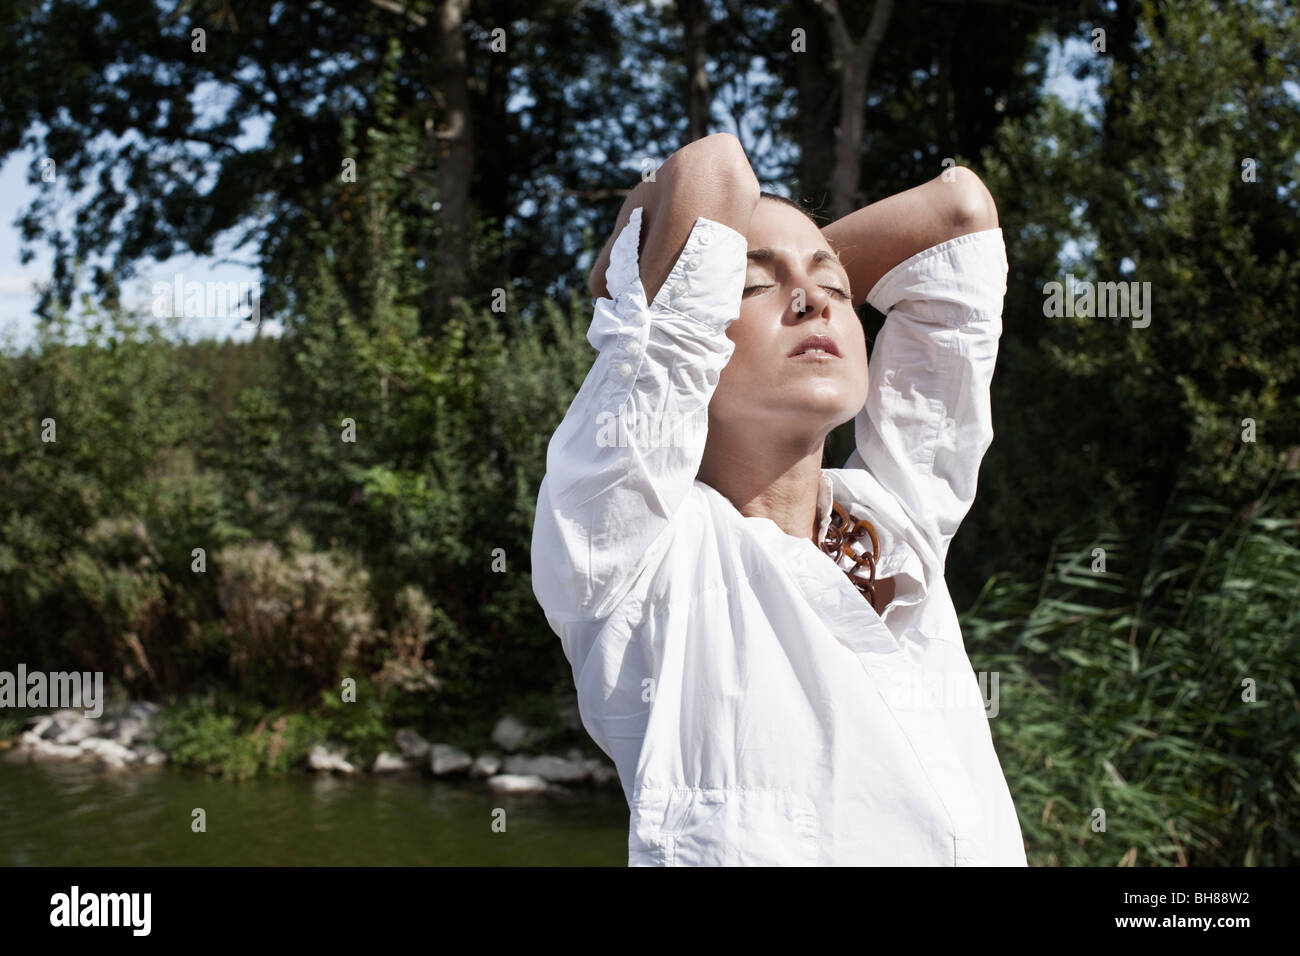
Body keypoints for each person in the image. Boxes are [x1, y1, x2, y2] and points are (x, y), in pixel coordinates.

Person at [530, 132, 1028, 866]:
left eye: (837, 292)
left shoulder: (898, 520)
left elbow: (958, 213)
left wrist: (784, 274)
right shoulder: (625, 549)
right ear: (690, 328)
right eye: (750, 286)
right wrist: (624, 285)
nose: (814, 303)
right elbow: (716, 169)